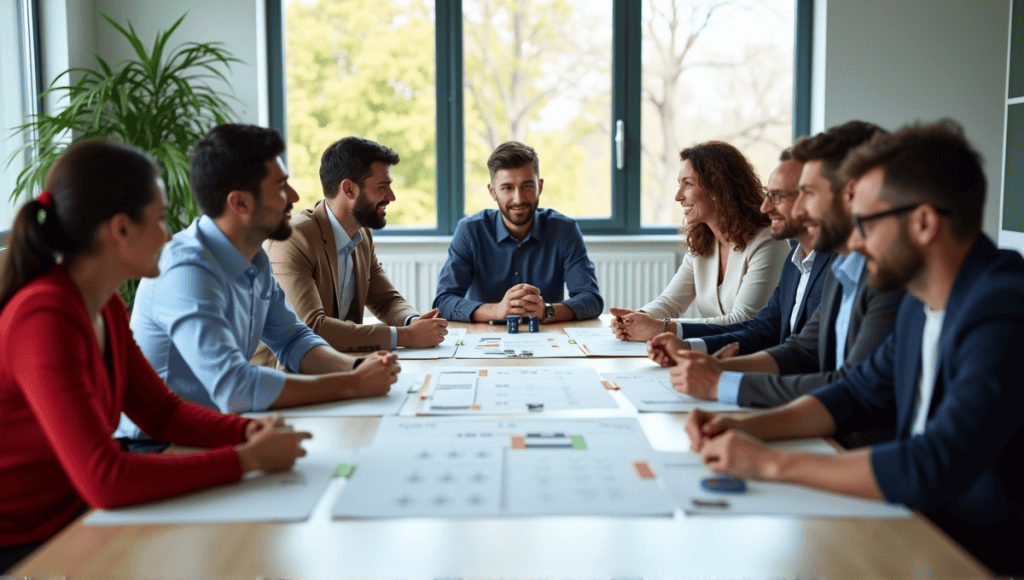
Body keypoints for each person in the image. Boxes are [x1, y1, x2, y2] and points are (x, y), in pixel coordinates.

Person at [684, 120, 1023, 575]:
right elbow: (858, 391)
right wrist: (746, 429)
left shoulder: (1001, 308)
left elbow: (934, 461)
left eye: (865, 223)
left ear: (924, 222)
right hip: (911, 524)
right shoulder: (921, 301)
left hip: (973, 555)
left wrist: (769, 463)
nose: (854, 241)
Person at [0, 141, 311, 573]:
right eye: (160, 217)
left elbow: (162, 412)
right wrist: (247, 459)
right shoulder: (45, 317)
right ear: (120, 229)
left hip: (73, 519)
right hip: (25, 541)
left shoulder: (103, 305)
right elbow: (104, 479)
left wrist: (246, 430)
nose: (168, 234)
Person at [116, 124, 400, 446]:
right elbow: (235, 386)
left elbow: (293, 340)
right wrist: (352, 384)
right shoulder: (186, 269)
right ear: (240, 203)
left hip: (222, 430)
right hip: (158, 448)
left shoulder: (253, 258)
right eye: (281, 187)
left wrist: (357, 368)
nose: (293, 197)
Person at [648, 121, 904, 410]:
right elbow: (794, 346)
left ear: (850, 195)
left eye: (806, 194)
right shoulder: (832, 266)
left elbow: (851, 387)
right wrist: (706, 363)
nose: (766, 208)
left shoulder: (876, 275)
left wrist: (722, 381)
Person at [251, 136, 447, 368]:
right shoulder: (294, 238)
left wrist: (413, 321)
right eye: (382, 187)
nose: (391, 197)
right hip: (284, 376)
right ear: (349, 189)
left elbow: (386, 301)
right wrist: (405, 336)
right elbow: (312, 327)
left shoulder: (362, 236)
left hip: (339, 364)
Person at [645, 149, 835, 357]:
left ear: (717, 189)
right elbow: (765, 331)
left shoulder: (772, 244)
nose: (765, 207)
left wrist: (666, 328)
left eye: (777, 196)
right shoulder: (795, 260)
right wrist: (639, 321)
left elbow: (748, 323)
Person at [611, 141, 791, 342]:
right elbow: (670, 302)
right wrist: (635, 319)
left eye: (687, 184)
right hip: (715, 352)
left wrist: (663, 328)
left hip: (754, 357)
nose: (678, 196)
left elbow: (744, 320)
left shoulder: (768, 242)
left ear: (716, 188)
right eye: (679, 184)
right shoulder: (704, 241)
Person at [433, 141, 603, 323]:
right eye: (507, 188)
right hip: (485, 339)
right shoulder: (470, 231)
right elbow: (443, 302)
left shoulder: (564, 230)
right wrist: (496, 311)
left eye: (527, 186)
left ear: (540, 186)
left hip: (546, 338)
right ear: (493, 191)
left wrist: (546, 311)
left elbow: (591, 299)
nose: (518, 198)